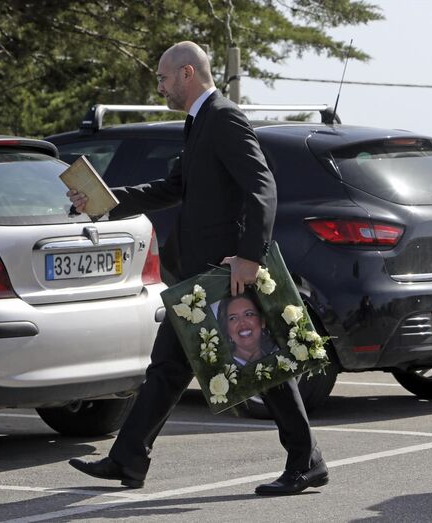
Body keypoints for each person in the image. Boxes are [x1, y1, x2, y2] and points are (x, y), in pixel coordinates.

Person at [66, 41, 328, 496]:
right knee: (168, 366)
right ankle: (128, 460)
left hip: (225, 270)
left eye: (165, 79)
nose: (161, 86)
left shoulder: (223, 118)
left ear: (187, 73)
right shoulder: (199, 121)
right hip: (198, 275)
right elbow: (175, 187)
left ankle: (307, 461)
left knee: (263, 362)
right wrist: (105, 202)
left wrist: (249, 256)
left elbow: (262, 188)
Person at [217, 292, 277, 366]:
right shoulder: (223, 368)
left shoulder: (277, 354)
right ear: (226, 328)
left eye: (248, 314)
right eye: (233, 318)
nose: (242, 323)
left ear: (262, 321)